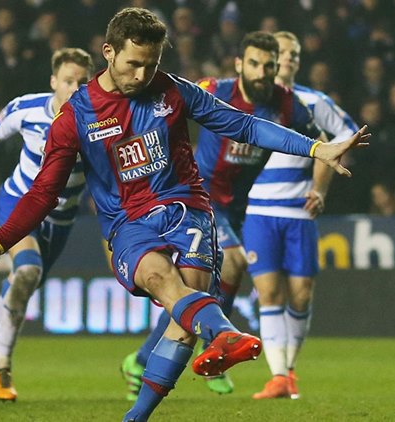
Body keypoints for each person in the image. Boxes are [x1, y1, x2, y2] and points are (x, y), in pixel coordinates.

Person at [0, 8, 369, 422]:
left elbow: (244, 125)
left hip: (188, 209)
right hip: (128, 224)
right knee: (161, 280)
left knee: (183, 319)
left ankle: (138, 415)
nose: (142, 75)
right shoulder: (75, 117)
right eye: (133, 64)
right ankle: (223, 332)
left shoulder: (172, 90)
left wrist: (316, 148)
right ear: (109, 52)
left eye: (151, 64)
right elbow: (42, 193)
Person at [120, 30, 326, 398]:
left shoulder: (287, 104)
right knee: (232, 262)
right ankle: (215, 344)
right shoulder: (214, 89)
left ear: (277, 68)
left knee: (193, 289)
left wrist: (319, 187)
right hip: (197, 199)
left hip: (236, 208)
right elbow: (166, 106)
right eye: (254, 64)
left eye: (269, 65)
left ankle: (142, 359)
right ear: (239, 64)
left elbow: (321, 142)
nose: (261, 72)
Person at [0, 48, 94, 404]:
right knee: (26, 272)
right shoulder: (27, 109)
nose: (75, 89)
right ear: (54, 81)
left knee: (17, 290)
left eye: (82, 82)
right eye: (68, 81)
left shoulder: (99, 121)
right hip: (19, 203)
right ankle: (1, 368)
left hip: (61, 220)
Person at [243, 31, 358, 400]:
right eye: (282, 53)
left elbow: (345, 138)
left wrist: (320, 189)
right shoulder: (246, 100)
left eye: (293, 53)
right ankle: (279, 376)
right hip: (258, 208)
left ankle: (288, 370)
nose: (288, 58)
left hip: (299, 210)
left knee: (301, 295)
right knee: (268, 292)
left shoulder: (313, 102)